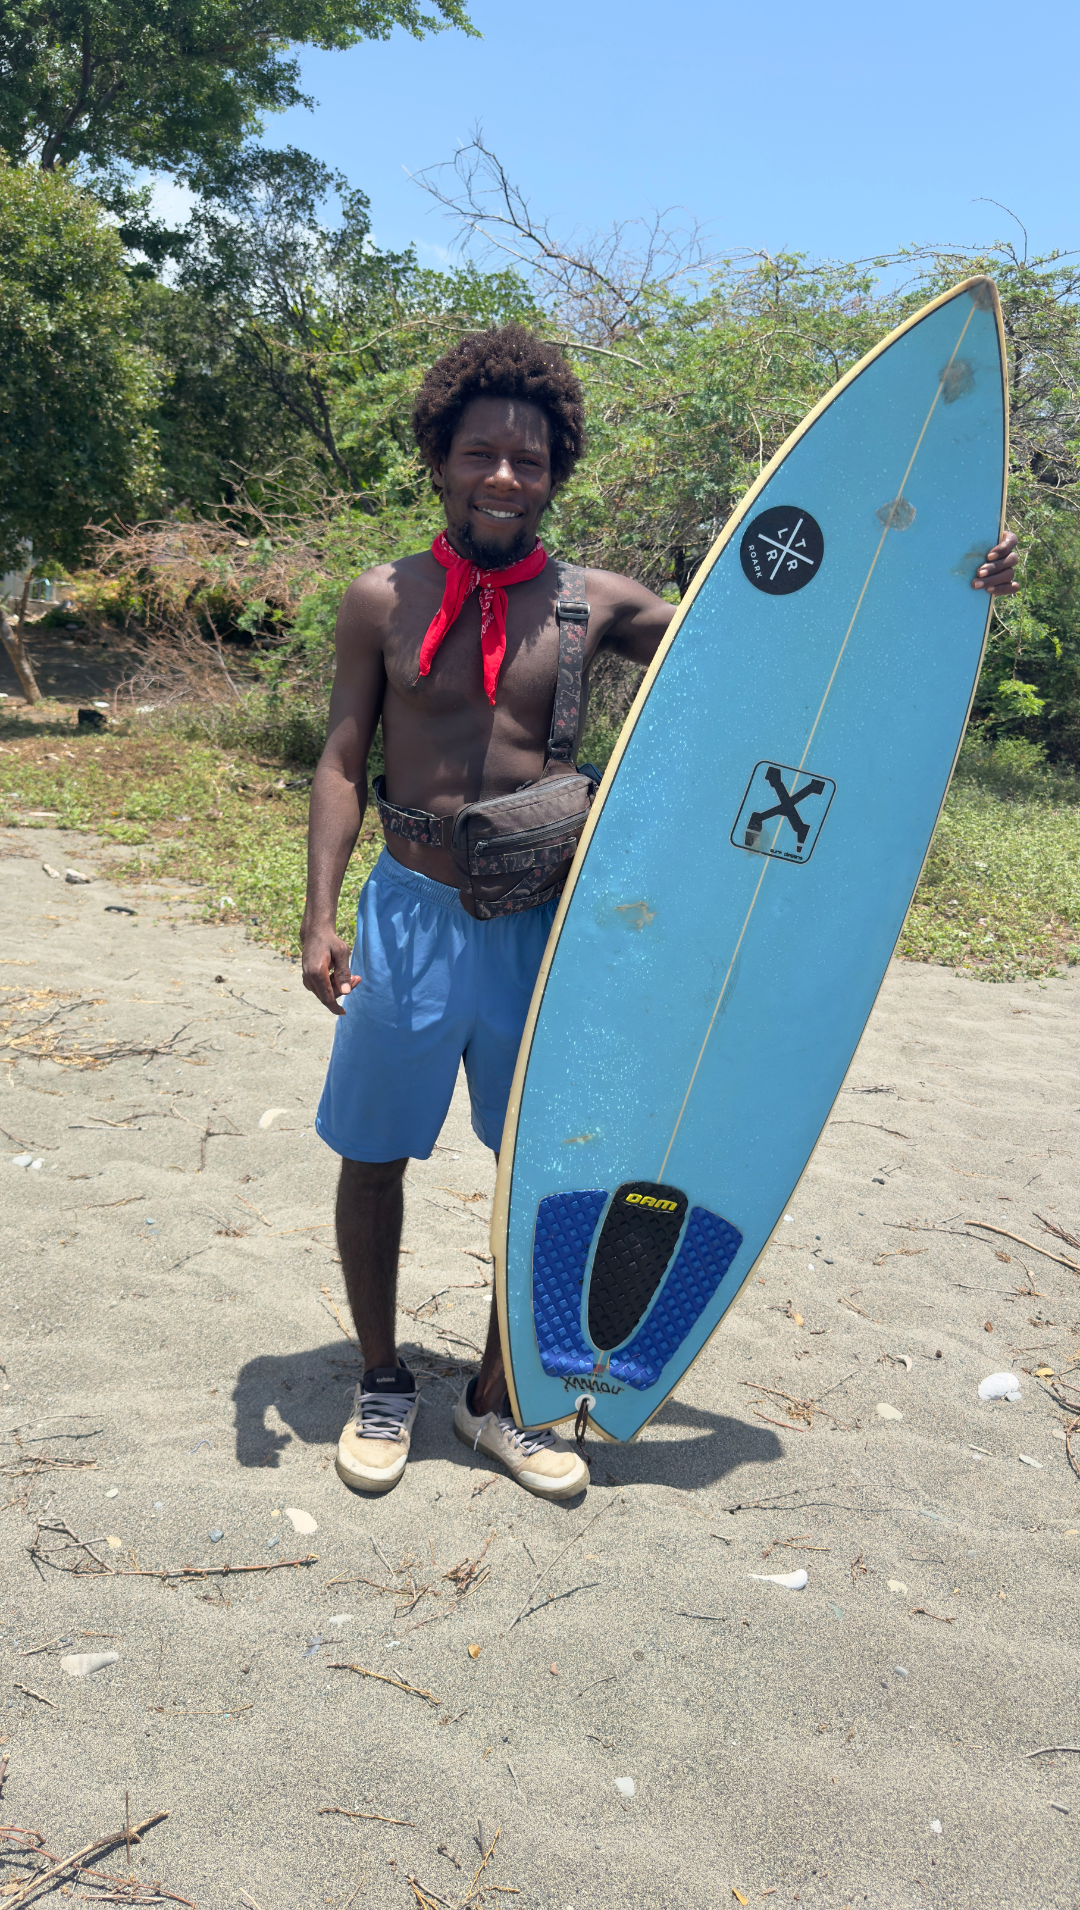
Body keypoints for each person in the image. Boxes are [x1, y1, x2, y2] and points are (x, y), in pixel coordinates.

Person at [301, 325, 1020, 1502]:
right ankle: (384, 1379)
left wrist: (950, 574)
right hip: (410, 914)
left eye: (528, 462)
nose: (502, 478)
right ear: (438, 454)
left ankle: (500, 1396)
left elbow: (777, 650)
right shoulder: (384, 597)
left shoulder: (596, 606)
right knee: (374, 1156)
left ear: (553, 475)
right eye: (480, 452)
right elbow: (341, 760)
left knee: (537, 1162)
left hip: (549, 932)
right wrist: (319, 916)